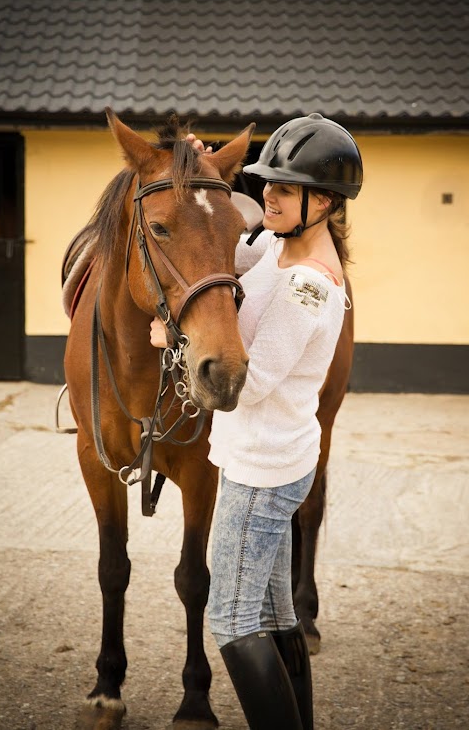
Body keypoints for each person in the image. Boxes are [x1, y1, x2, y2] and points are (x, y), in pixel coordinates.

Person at [150, 114, 363, 729]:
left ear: (323, 201)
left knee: (233, 620)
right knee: (275, 616)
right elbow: (217, 242)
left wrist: (176, 342)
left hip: (262, 474)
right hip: (276, 461)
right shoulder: (279, 246)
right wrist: (193, 169)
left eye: (284, 186)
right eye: (266, 179)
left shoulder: (309, 289)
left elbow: (250, 383)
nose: (267, 192)